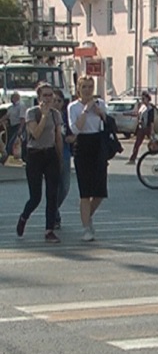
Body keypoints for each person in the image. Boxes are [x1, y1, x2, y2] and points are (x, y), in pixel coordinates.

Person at [15, 83, 63, 244]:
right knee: (36, 197)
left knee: (52, 194)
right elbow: (35, 134)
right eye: (45, 95)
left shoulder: (56, 114)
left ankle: (49, 230)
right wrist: (43, 116)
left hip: (50, 154)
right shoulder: (32, 112)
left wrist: (60, 158)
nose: (48, 99)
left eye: (50, 95)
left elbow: (58, 137)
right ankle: (24, 217)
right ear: (39, 97)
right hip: (35, 155)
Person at [66, 75, 108, 242]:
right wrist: (85, 110)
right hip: (83, 145)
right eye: (84, 87)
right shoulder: (73, 107)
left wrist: (100, 113)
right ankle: (86, 228)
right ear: (79, 89)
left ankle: (87, 216)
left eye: (90, 87)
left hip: (98, 145)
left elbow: (108, 123)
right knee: (85, 192)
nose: (88, 90)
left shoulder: (100, 104)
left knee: (100, 192)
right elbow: (75, 129)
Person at [53, 87, 72, 229]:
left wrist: (70, 138)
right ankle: (54, 215)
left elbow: (73, 133)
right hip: (50, 155)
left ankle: (53, 209)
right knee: (53, 187)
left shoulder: (66, 117)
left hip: (64, 154)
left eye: (59, 101)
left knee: (65, 187)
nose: (56, 103)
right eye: (54, 100)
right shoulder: (46, 115)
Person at [127, 91, 156, 163]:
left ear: (147, 99)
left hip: (148, 128)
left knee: (154, 142)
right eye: (142, 99)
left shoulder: (150, 108)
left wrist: (152, 130)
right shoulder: (142, 107)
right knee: (137, 144)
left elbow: (151, 120)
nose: (142, 100)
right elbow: (138, 114)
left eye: (143, 99)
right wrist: (130, 114)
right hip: (141, 127)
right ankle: (132, 159)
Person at [1, 91, 25, 164]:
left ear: (16, 97)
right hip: (12, 127)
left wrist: (20, 128)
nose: (11, 99)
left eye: (12, 97)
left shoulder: (21, 106)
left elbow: (22, 118)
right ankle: (7, 158)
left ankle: (11, 158)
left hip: (18, 126)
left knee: (13, 143)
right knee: (8, 142)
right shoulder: (11, 107)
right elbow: (7, 115)